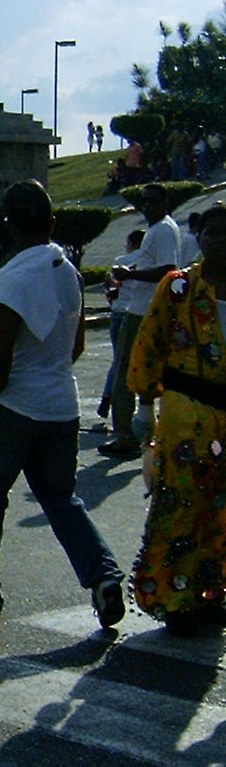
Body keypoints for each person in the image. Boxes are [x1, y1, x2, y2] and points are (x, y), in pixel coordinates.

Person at [0, 180, 125, 626]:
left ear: (9, 226)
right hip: (63, 404)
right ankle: (102, 574)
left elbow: (2, 355)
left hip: (17, 404)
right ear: (52, 222)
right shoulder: (69, 272)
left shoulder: (14, 279)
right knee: (61, 499)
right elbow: (77, 345)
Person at [127, 202, 226, 633]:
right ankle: (174, 596)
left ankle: (212, 594)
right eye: (211, 232)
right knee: (183, 503)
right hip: (187, 411)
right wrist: (144, 404)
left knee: (220, 507)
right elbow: (151, 342)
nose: (219, 240)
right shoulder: (179, 287)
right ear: (199, 238)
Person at [99, 183, 181, 458]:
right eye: (143, 201)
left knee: (124, 371)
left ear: (164, 202)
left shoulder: (163, 230)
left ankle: (126, 436)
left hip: (143, 311)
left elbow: (169, 269)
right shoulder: (159, 229)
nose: (146, 206)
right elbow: (154, 265)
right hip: (144, 306)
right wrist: (130, 272)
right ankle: (146, 431)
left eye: (152, 201)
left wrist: (130, 276)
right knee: (145, 374)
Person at [95, 228, 143, 423]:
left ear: (132, 243)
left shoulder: (120, 260)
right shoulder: (148, 261)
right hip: (136, 311)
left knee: (119, 359)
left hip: (118, 312)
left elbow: (111, 286)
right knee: (129, 360)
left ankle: (108, 397)